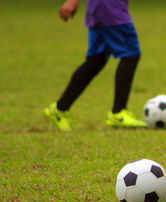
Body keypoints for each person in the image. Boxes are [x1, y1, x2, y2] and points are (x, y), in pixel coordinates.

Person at [44, 0, 147, 131]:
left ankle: (59, 109)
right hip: (110, 8)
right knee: (130, 54)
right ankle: (119, 113)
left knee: (96, 60)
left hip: (101, 8)